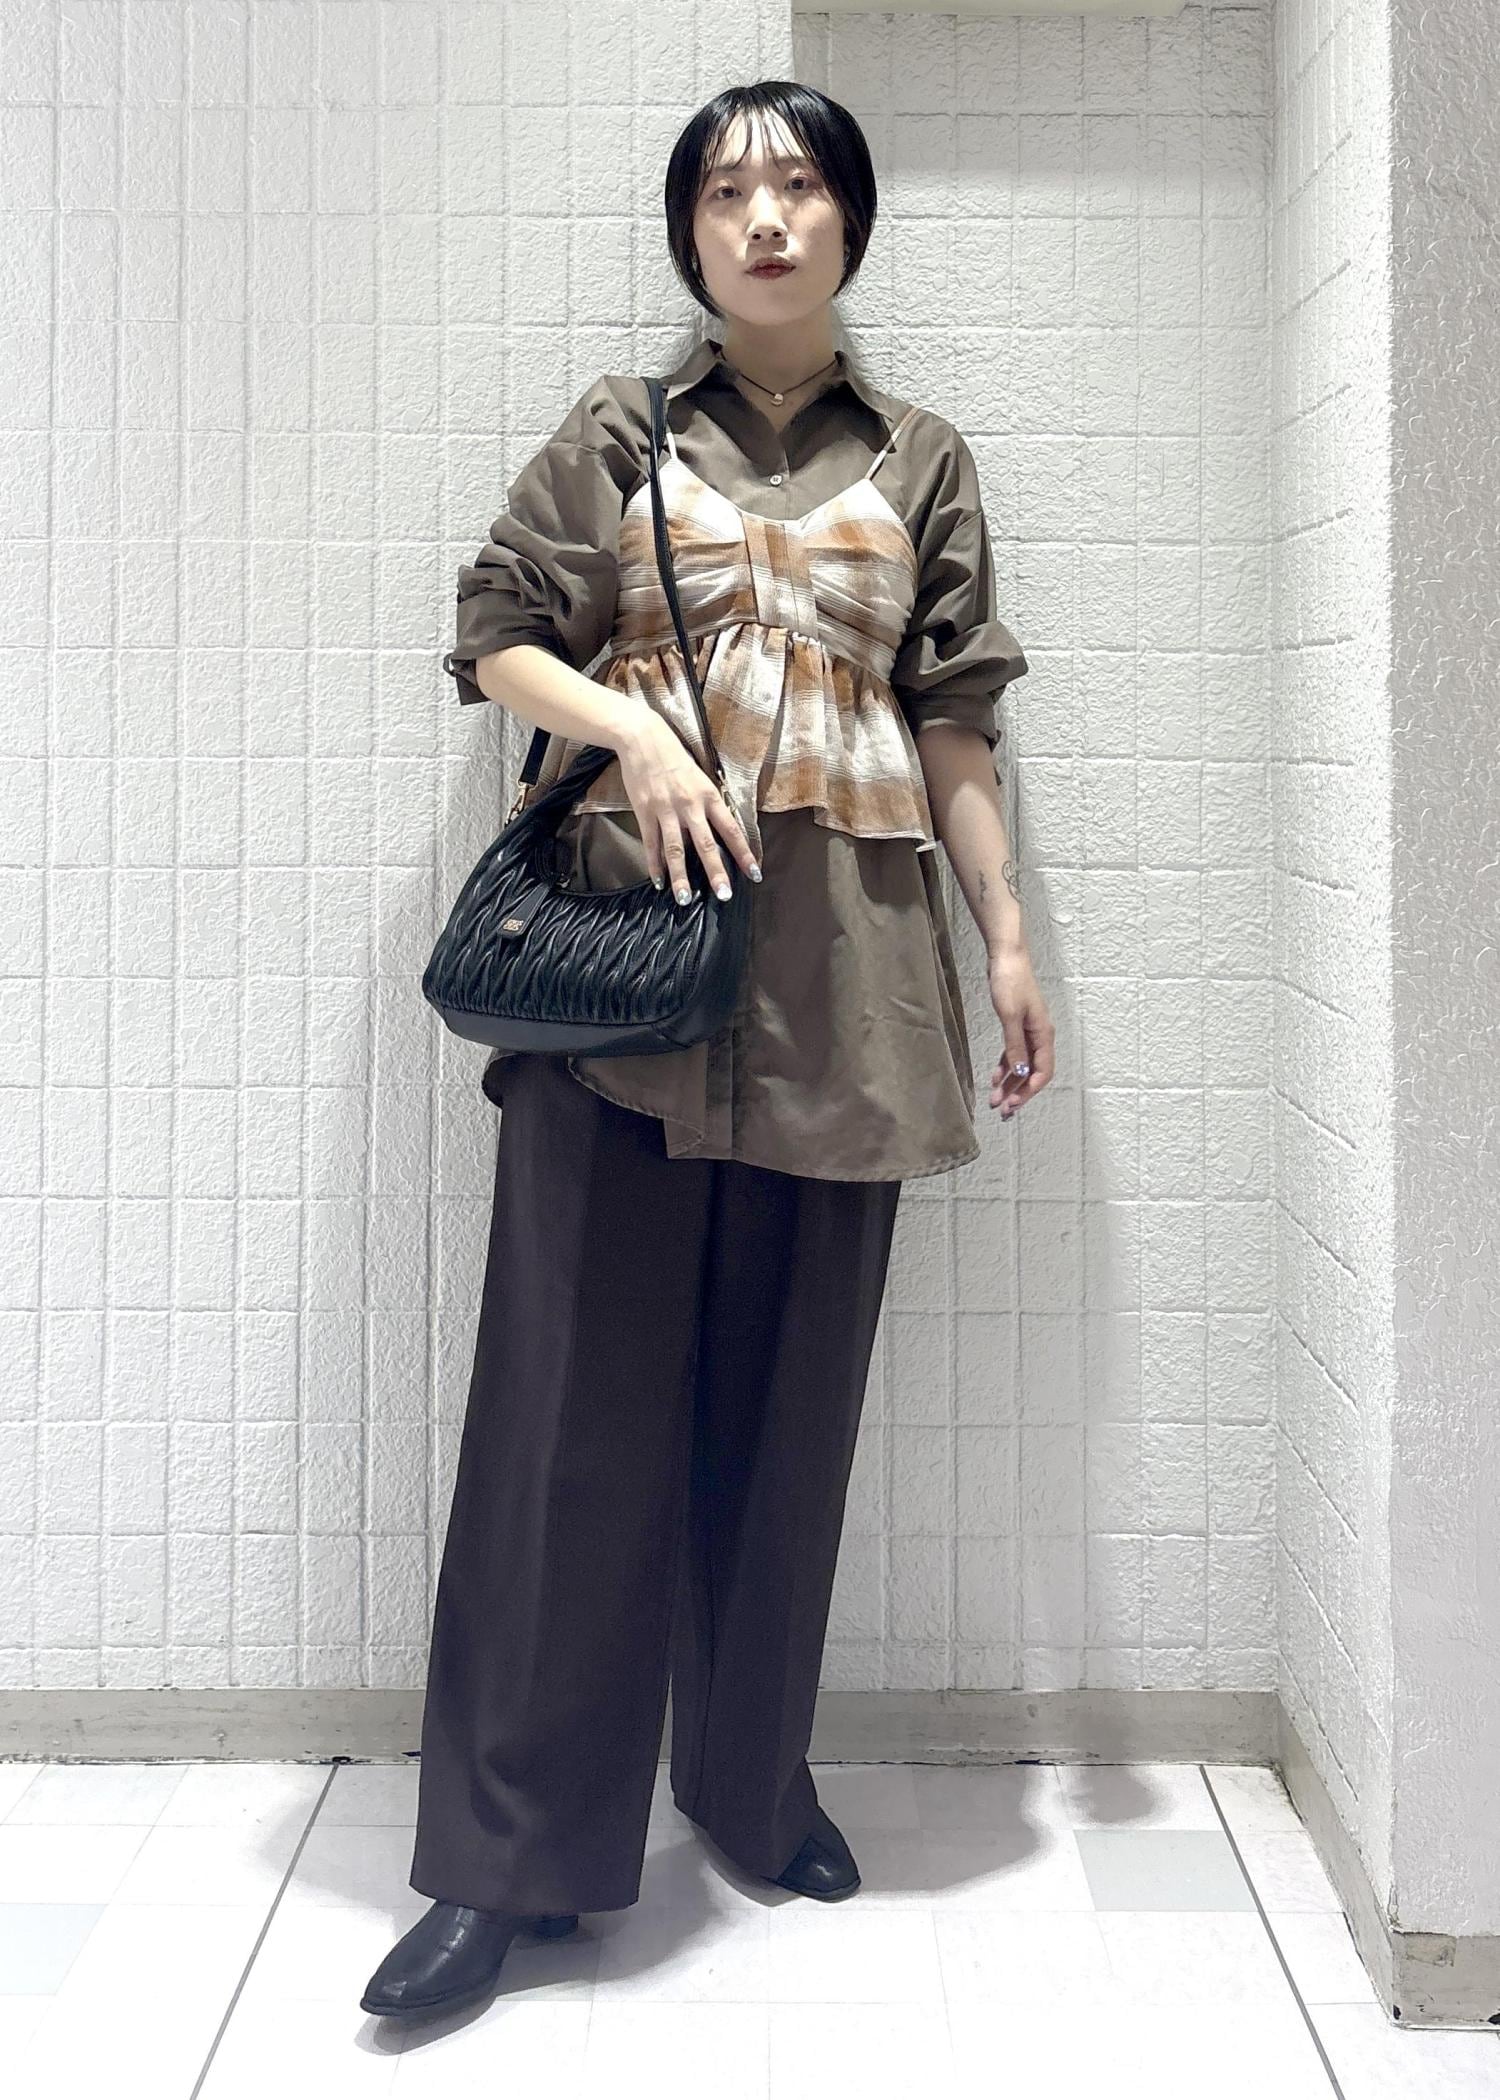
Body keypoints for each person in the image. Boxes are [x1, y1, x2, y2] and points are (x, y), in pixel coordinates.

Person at [362, 78, 1055, 2021]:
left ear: (849, 222)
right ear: (689, 235)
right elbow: (495, 631)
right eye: (729, 189)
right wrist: (636, 732)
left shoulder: (923, 461)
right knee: (562, 1430)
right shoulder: (619, 433)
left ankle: (750, 1788)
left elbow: (957, 717)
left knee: (788, 1416)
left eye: (799, 184)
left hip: (853, 991)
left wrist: (1007, 937)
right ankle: (507, 1862)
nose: (765, 216)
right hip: (627, 995)